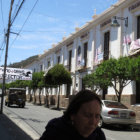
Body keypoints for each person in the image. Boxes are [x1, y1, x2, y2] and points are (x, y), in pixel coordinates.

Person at [39, 89, 106, 140]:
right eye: (88, 115)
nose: (93, 122)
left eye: (97, 116)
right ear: (73, 114)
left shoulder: (99, 135)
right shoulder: (55, 131)